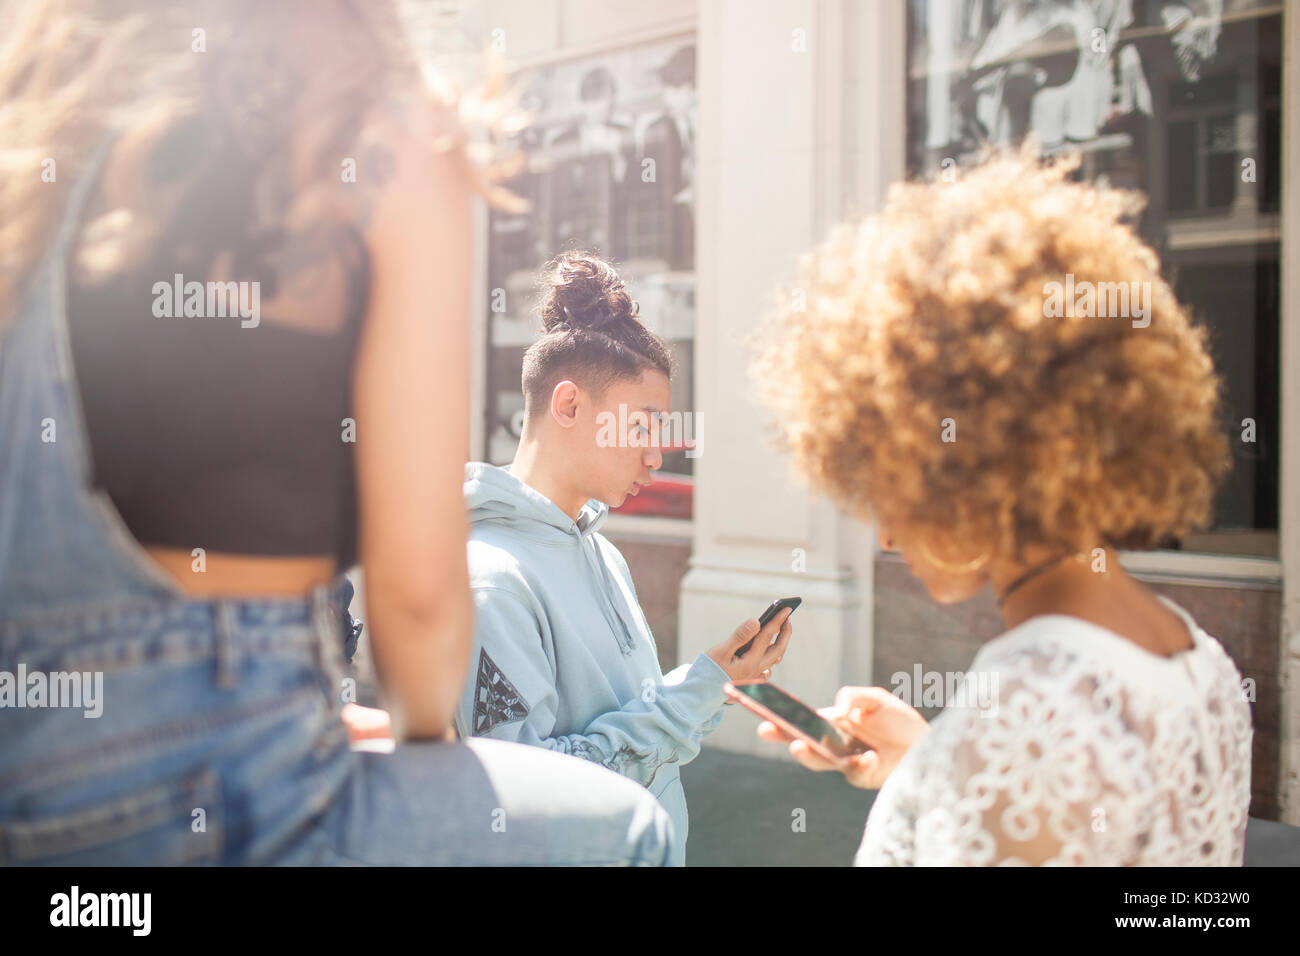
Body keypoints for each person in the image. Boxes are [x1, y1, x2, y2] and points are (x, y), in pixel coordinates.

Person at [0, 0, 673, 865]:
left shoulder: (36, 119)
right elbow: (420, 612)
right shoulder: (383, 131)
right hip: (235, 785)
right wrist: (396, 736)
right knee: (628, 830)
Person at [748, 142, 1253, 865]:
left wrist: (964, 766)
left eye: (894, 485)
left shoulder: (1028, 717)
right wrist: (930, 765)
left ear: (965, 463)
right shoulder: (1200, 661)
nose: (886, 531)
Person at [457, 252, 792, 866]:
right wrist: (694, 697)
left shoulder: (604, 553)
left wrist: (712, 680)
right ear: (568, 406)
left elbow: (618, 717)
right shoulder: (491, 582)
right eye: (643, 428)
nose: (655, 455)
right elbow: (528, 795)